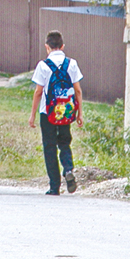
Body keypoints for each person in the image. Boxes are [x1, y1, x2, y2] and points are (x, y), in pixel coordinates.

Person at [30, 31, 84, 194]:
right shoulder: (72, 64)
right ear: (62, 47)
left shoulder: (43, 65)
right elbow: (78, 91)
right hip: (66, 112)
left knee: (50, 147)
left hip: (47, 113)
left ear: (47, 47)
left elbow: (38, 92)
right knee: (64, 142)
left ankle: (54, 186)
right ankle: (68, 169)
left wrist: (32, 115)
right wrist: (79, 113)